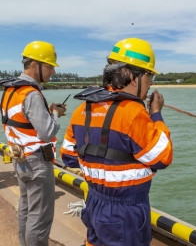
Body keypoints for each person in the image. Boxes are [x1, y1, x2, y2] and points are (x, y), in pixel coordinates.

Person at [60, 37, 173, 246]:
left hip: (94, 201)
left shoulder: (82, 111)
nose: (151, 83)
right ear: (133, 76)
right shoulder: (134, 113)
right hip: (126, 211)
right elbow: (162, 158)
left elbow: (68, 157)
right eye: (150, 76)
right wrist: (156, 114)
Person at [0, 40, 66, 246]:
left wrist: (47, 113)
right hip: (37, 162)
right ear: (35, 65)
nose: (53, 71)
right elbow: (46, 132)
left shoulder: (11, 90)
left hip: (20, 158)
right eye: (50, 66)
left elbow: (20, 121)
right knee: (40, 218)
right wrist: (55, 113)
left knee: (26, 209)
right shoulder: (32, 94)